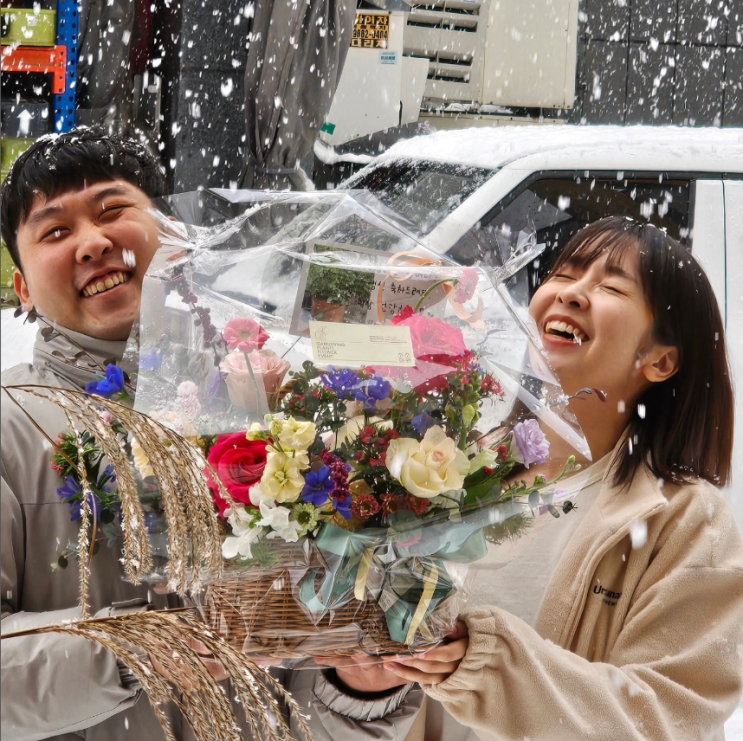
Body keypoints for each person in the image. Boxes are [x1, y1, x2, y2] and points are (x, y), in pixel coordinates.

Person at [0, 128, 424, 741]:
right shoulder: (11, 426)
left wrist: (361, 688)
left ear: (174, 235)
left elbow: (303, 692)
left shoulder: (276, 404)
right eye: (56, 231)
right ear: (22, 289)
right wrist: (136, 651)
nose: (93, 243)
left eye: (112, 209)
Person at [335, 217, 743, 740]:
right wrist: (364, 690)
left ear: (660, 361)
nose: (571, 293)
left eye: (612, 287)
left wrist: (489, 666)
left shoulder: (686, 521)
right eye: (563, 274)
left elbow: (669, 720)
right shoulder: (446, 467)